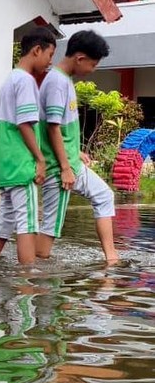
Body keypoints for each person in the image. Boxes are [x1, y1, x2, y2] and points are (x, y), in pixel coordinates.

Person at [36, 29, 118, 264]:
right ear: (80, 58)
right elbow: (52, 128)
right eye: (92, 64)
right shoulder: (57, 83)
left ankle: (111, 257)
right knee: (50, 226)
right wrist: (65, 167)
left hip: (69, 160)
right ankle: (34, 268)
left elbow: (61, 128)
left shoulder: (64, 81)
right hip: (59, 168)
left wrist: (76, 151)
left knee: (103, 195)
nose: (93, 70)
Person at [0, 27, 56, 264]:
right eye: (49, 55)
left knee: (3, 224)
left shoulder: (9, 80)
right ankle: (28, 281)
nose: (49, 62)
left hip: (5, 165)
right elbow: (25, 124)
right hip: (22, 164)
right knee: (28, 223)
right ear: (37, 50)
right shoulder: (25, 81)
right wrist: (40, 159)